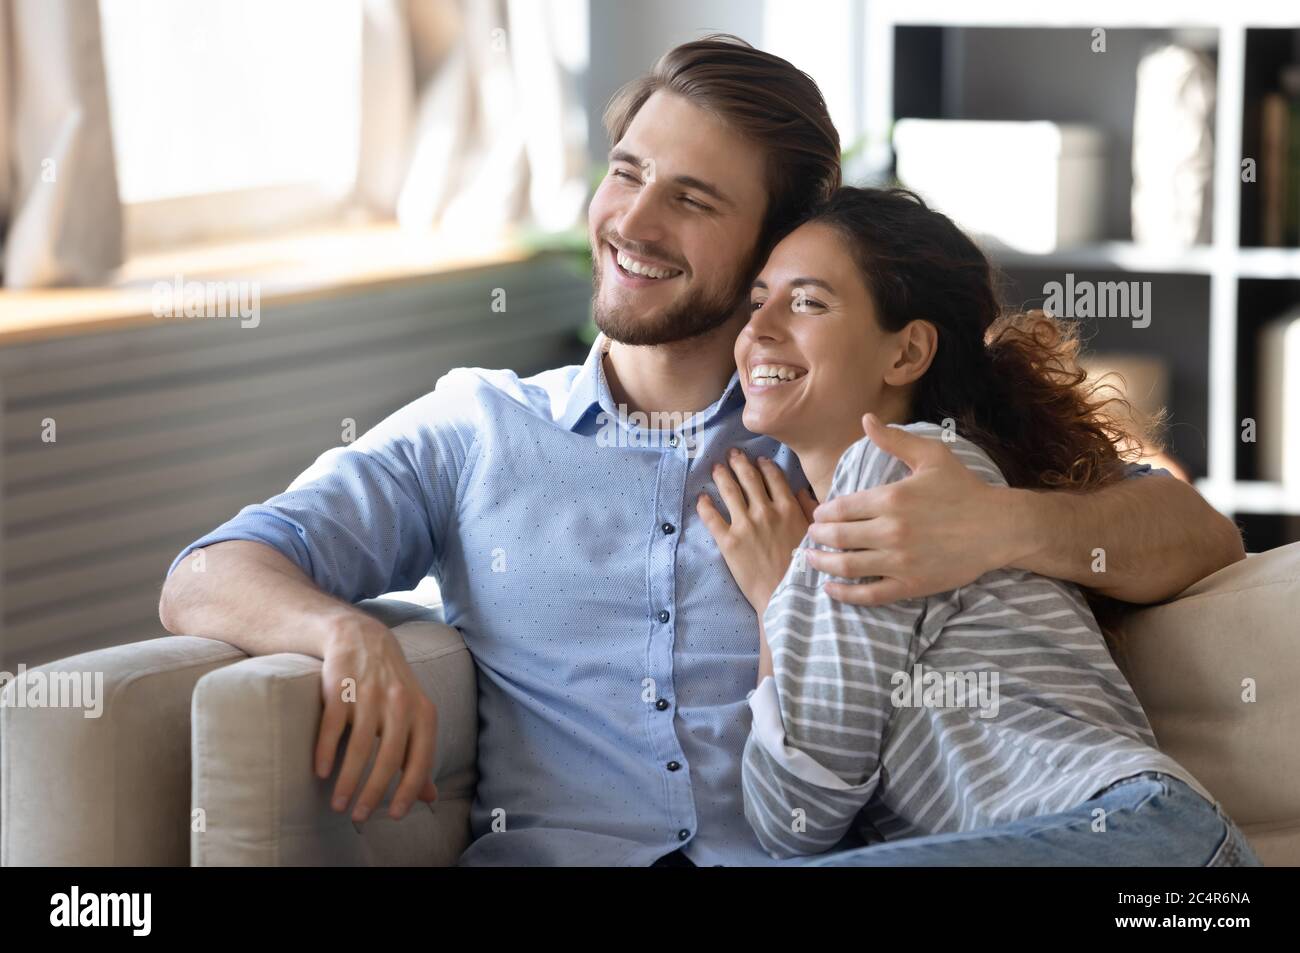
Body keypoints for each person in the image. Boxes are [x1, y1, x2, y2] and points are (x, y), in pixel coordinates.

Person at [158, 36, 1245, 866]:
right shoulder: (472, 429)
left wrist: (1002, 524)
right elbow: (204, 574)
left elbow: (1189, 532)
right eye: (626, 172)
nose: (632, 221)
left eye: (692, 198)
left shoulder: (836, 424)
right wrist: (340, 630)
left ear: (769, 243)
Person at [700, 185, 1258, 866]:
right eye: (758, 300)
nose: (757, 328)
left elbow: (793, 818)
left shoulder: (895, 473)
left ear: (905, 354)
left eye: (808, 301)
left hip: (1135, 838)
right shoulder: (926, 479)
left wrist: (776, 600)